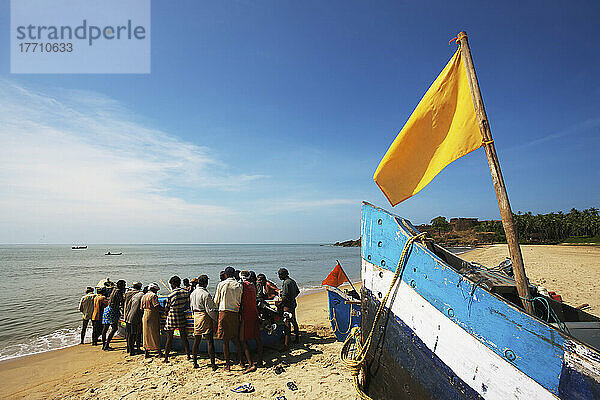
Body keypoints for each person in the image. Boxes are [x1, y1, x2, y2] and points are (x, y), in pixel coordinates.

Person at [214, 266, 243, 371]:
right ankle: (241, 361)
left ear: (225, 275)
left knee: (225, 340)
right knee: (236, 337)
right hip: (235, 312)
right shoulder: (239, 285)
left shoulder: (221, 284)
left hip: (224, 312)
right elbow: (239, 300)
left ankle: (227, 365)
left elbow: (216, 301)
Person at [189, 274, 218, 370]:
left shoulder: (193, 293)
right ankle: (213, 364)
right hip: (204, 316)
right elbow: (210, 310)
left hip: (196, 316)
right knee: (209, 341)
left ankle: (195, 362)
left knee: (197, 341)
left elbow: (191, 307)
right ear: (206, 283)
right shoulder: (206, 294)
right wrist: (216, 319)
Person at [163, 275, 191, 363]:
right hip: (181, 315)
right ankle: (188, 355)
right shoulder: (186, 292)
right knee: (184, 337)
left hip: (172, 316)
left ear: (173, 284)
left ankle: (166, 357)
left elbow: (166, 308)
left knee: (169, 338)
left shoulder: (171, 294)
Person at [239, 270, 263, 372]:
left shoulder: (242, 286)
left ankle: (250, 364)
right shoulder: (253, 286)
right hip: (254, 313)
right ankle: (260, 360)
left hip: (246, 314)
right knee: (257, 338)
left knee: (243, 339)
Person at [277, 268, 300, 349]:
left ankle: (287, 344)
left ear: (283, 274)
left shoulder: (286, 283)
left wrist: (279, 304)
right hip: (292, 303)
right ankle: (297, 338)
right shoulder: (292, 281)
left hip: (287, 306)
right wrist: (292, 298)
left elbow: (284, 297)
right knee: (293, 321)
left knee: (287, 323)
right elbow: (298, 292)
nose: (278, 276)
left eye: (279, 274)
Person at [141, 283, 164, 358]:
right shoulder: (153, 296)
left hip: (145, 315)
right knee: (154, 333)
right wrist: (164, 310)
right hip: (152, 315)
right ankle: (159, 351)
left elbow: (141, 308)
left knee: (146, 334)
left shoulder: (144, 296)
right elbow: (157, 306)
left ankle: (146, 351)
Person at [102, 279, 126, 351]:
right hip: (113, 311)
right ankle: (106, 345)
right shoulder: (118, 291)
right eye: (124, 285)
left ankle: (104, 345)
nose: (125, 287)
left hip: (108, 309)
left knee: (105, 329)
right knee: (114, 328)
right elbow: (122, 302)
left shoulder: (114, 289)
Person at [124, 282, 144, 355]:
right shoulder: (140, 294)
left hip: (127, 315)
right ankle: (136, 349)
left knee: (129, 334)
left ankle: (129, 349)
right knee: (135, 334)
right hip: (135, 317)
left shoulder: (128, 293)